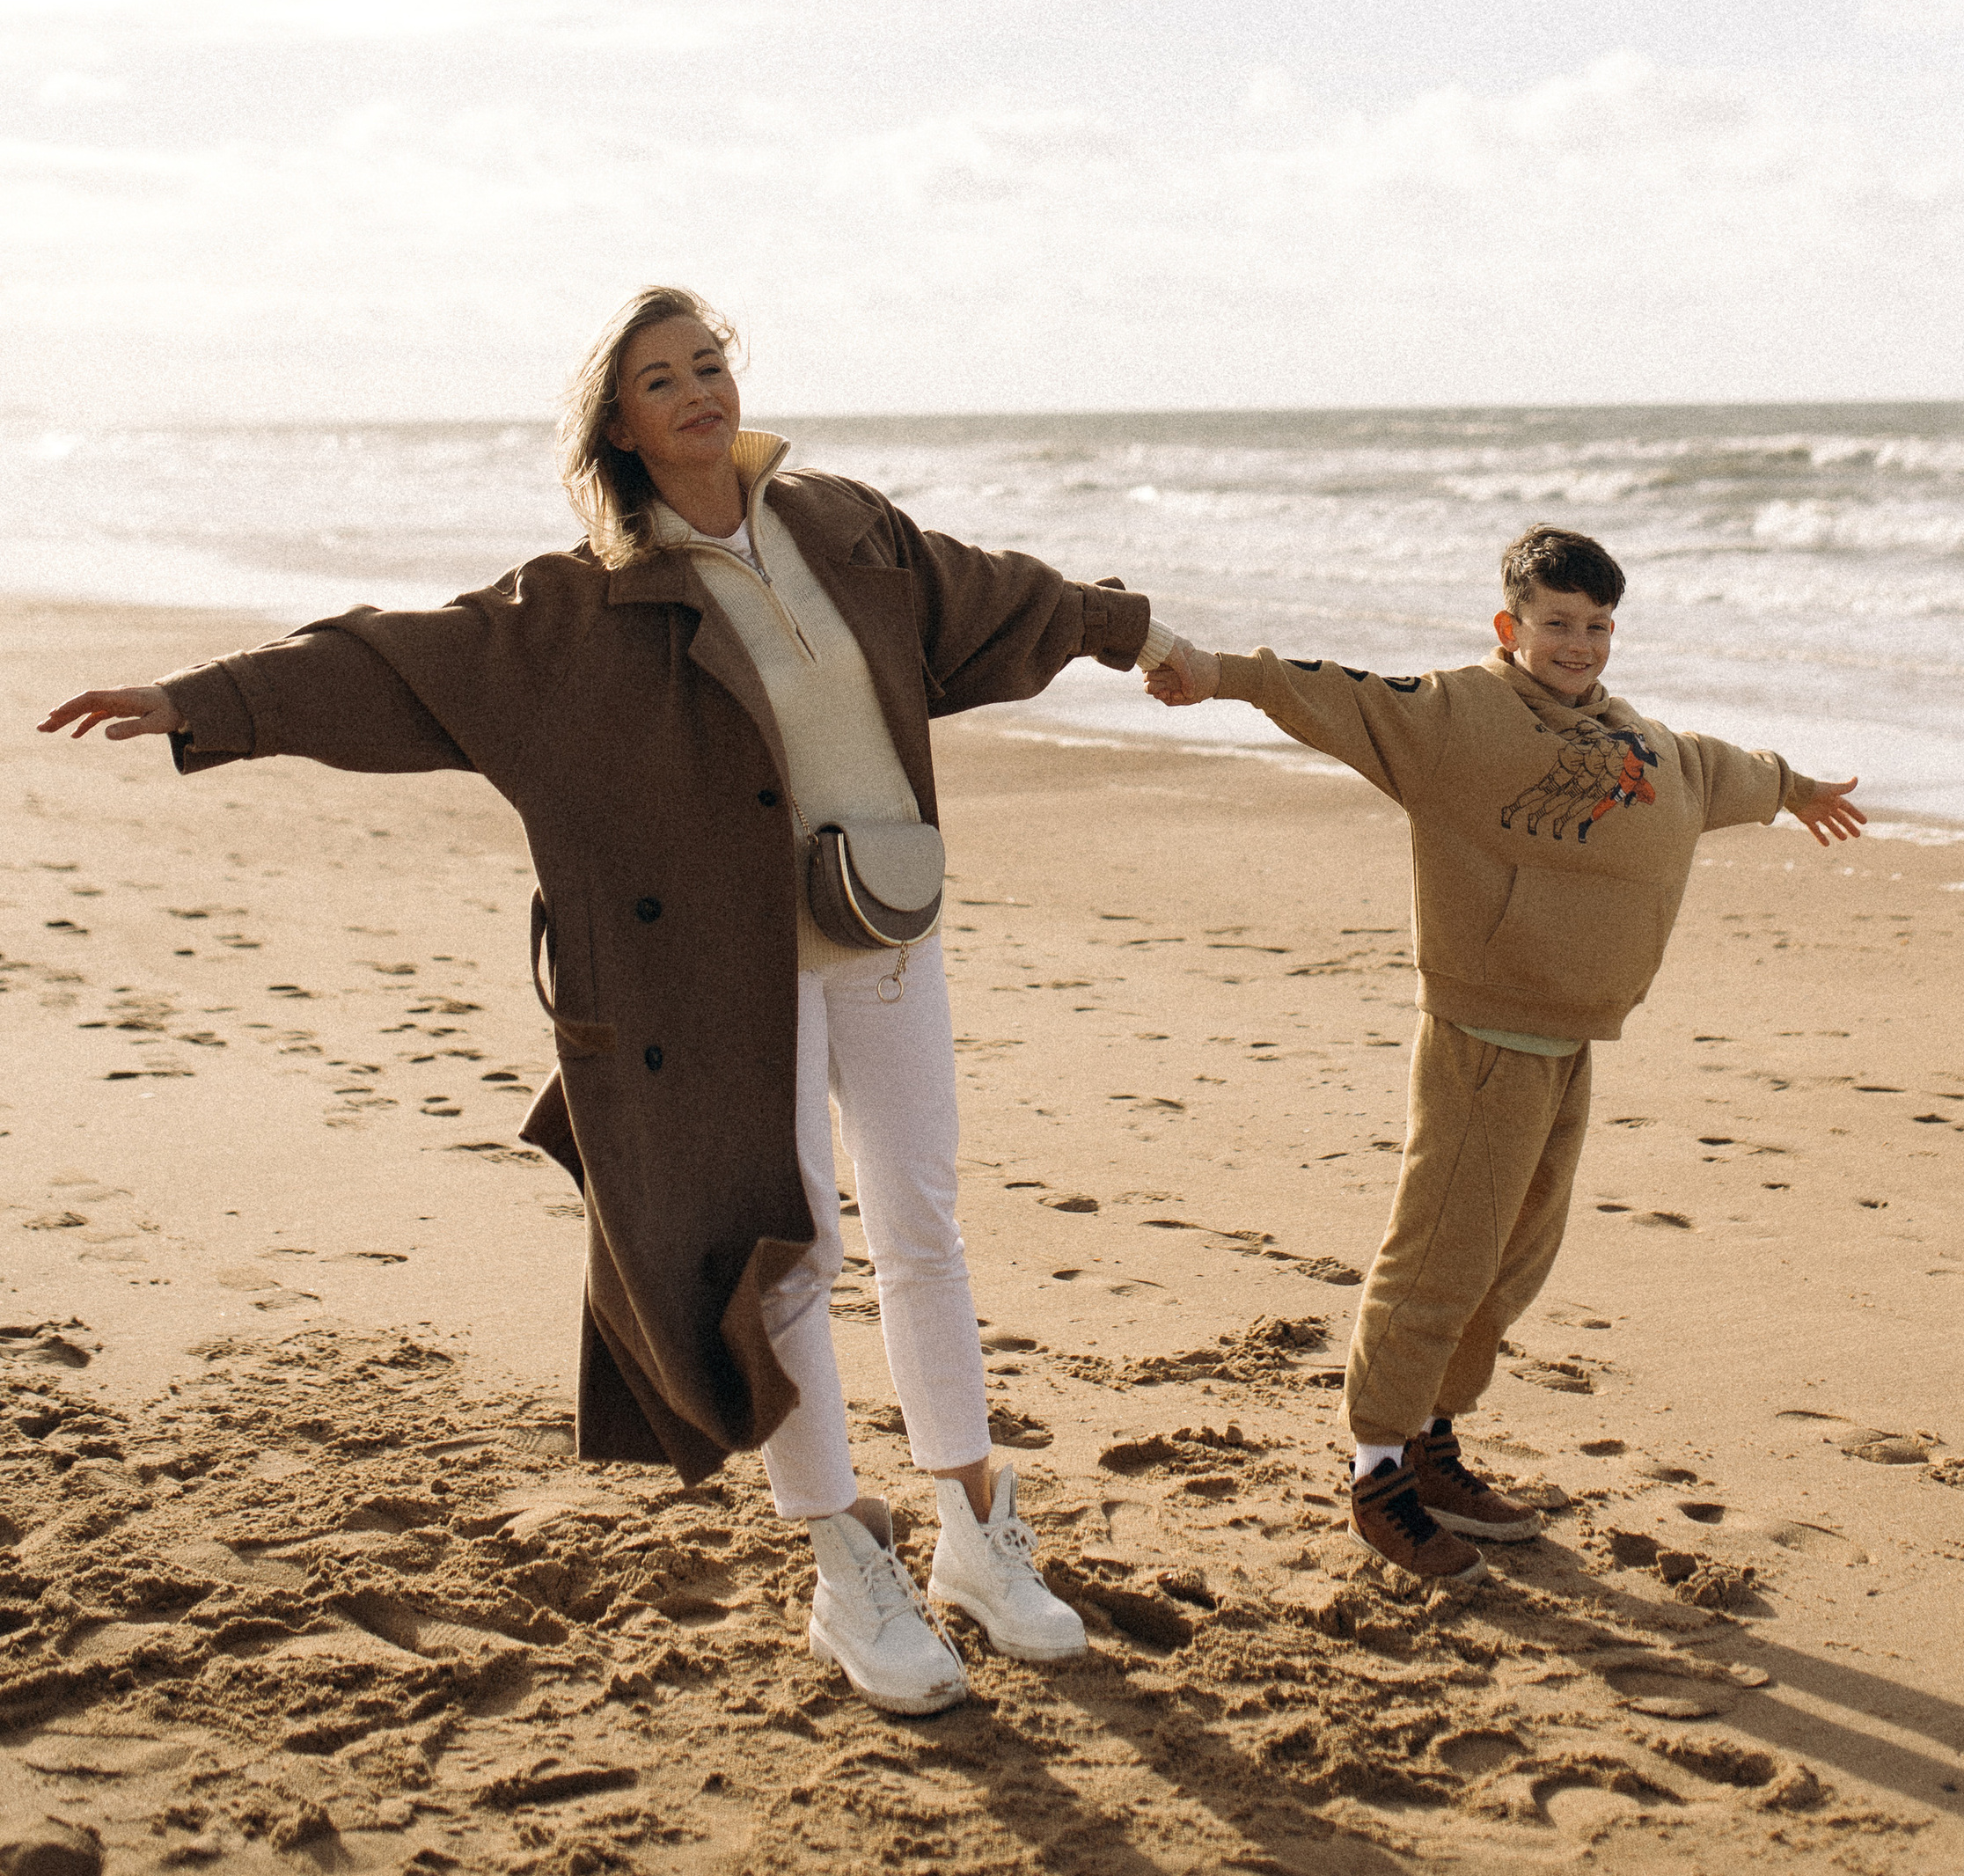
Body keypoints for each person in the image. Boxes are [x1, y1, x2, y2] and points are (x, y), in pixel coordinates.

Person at [40, 285, 1180, 1715]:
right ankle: (844, 1563)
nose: (700, 391)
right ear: (621, 423)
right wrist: (209, 698)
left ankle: (975, 1533)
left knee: (927, 1227)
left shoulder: (842, 528)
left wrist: (1132, 632)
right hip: (725, 969)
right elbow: (405, 663)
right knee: (792, 1254)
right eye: (663, 377)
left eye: (711, 363)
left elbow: (997, 594)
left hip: (887, 924)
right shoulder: (586, 599)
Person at [1144, 521, 1864, 1587]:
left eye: (1598, 626)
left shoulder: (1635, 734)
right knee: (1440, 1252)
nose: (1579, 644)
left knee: (1509, 1260)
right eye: (1558, 624)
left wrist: (1796, 787)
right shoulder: (1459, 718)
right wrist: (1212, 673)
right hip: (1482, 1035)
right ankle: (1377, 1474)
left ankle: (1433, 1442)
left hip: (1572, 1037)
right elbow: (1333, 692)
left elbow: (1719, 773)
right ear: (1509, 624)